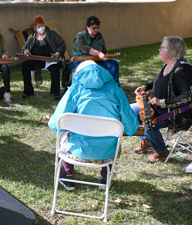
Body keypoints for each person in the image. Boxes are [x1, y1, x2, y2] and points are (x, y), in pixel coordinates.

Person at [48, 60, 138, 191]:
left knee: (63, 135)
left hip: (76, 151)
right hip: (107, 153)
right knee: (113, 139)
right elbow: (131, 127)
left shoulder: (75, 90)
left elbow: (55, 123)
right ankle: (105, 178)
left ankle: (68, 176)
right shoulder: (117, 91)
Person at [131, 36, 192, 163]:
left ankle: (161, 151)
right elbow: (160, 82)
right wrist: (146, 86)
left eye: (162, 47)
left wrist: (162, 102)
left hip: (175, 113)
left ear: (172, 51)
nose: (159, 49)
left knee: (148, 123)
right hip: (157, 107)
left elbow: (189, 96)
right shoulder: (168, 65)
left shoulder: (183, 70)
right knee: (131, 111)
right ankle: (148, 141)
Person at [20, 15, 66, 100]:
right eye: (39, 27)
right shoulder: (32, 37)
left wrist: (57, 53)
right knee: (25, 65)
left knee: (55, 68)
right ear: (35, 27)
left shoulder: (52, 34)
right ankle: (28, 91)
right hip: (36, 60)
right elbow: (24, 48)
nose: (41, 28)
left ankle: (56, 92)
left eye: (43, 26)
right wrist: (25, 51)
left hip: (50, 60)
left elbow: (62, 44)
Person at [68, 16, 120, 85]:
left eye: (97, 28)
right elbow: (81, 47)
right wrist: (98, 53)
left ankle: (114, 87)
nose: (96, 30)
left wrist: (105, 56)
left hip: (96, 61)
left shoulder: (100, 37)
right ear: (87, 27)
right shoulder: (80, 36)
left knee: (113, 64)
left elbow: (104, 51)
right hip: (79, 62)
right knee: (91, 69)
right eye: (93, 28)